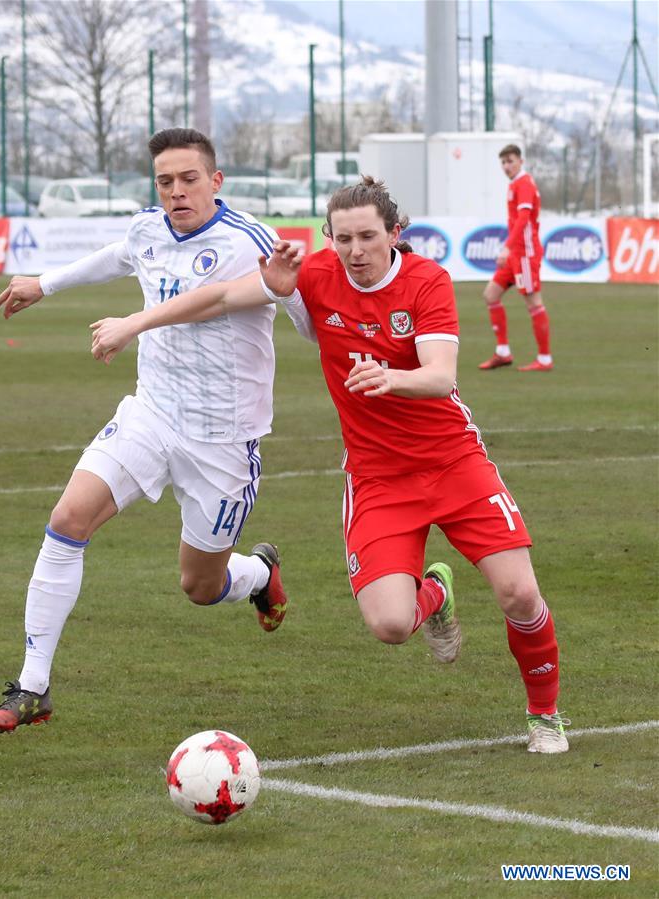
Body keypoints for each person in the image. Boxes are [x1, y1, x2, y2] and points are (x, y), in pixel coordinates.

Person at [90, 176, 569, 754]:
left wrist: (393, 377)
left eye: (368, 236)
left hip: (453, 462)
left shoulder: (426, 280)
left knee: (519, 593)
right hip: (377, 477)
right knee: (390, 626)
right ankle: (435, 594)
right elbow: (218, 298)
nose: (356, 251)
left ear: (396, 233)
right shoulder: (313, 275)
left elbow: (441, 374)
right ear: (329, 238)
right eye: (343, 238)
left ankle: (544, 715)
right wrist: (137, 322)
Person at [0, 128, 306, 734]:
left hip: (223, 440)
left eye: (188, 179)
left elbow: (283, 316)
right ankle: (32, 686)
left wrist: (306, 303)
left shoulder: (251, 240)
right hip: (151, 414)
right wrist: (42, 284)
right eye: (165, 181)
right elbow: (115, 255)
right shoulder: (148, 228)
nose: (176, 192)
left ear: (216, 180)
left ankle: (258, 573)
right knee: (67, 519)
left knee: (200, 586)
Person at [479, 144, 552, 372]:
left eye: (510, 161)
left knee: (533, 303)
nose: (507, 166)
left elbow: (523, 218)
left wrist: (508, 247)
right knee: (491, 294)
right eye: (503, 162)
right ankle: (503, 352)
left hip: (525, 254)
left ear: (521, 160)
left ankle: (545, 358)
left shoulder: (525, 183)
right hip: (515, 255)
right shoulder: (515, 184)